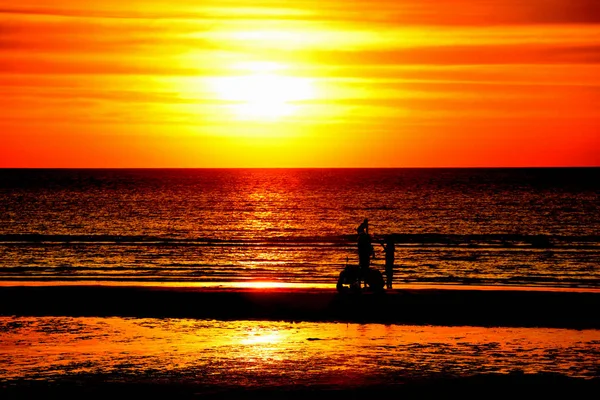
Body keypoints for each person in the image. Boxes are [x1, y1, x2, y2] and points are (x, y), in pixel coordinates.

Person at [357, 219, 375, 288]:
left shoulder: (361, 239)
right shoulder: (362, 238)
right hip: (364, 256)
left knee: (362, 268)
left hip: (363, 255)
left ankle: (362, 283)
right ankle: (361, 283)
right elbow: (369, 246)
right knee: (364, 268)